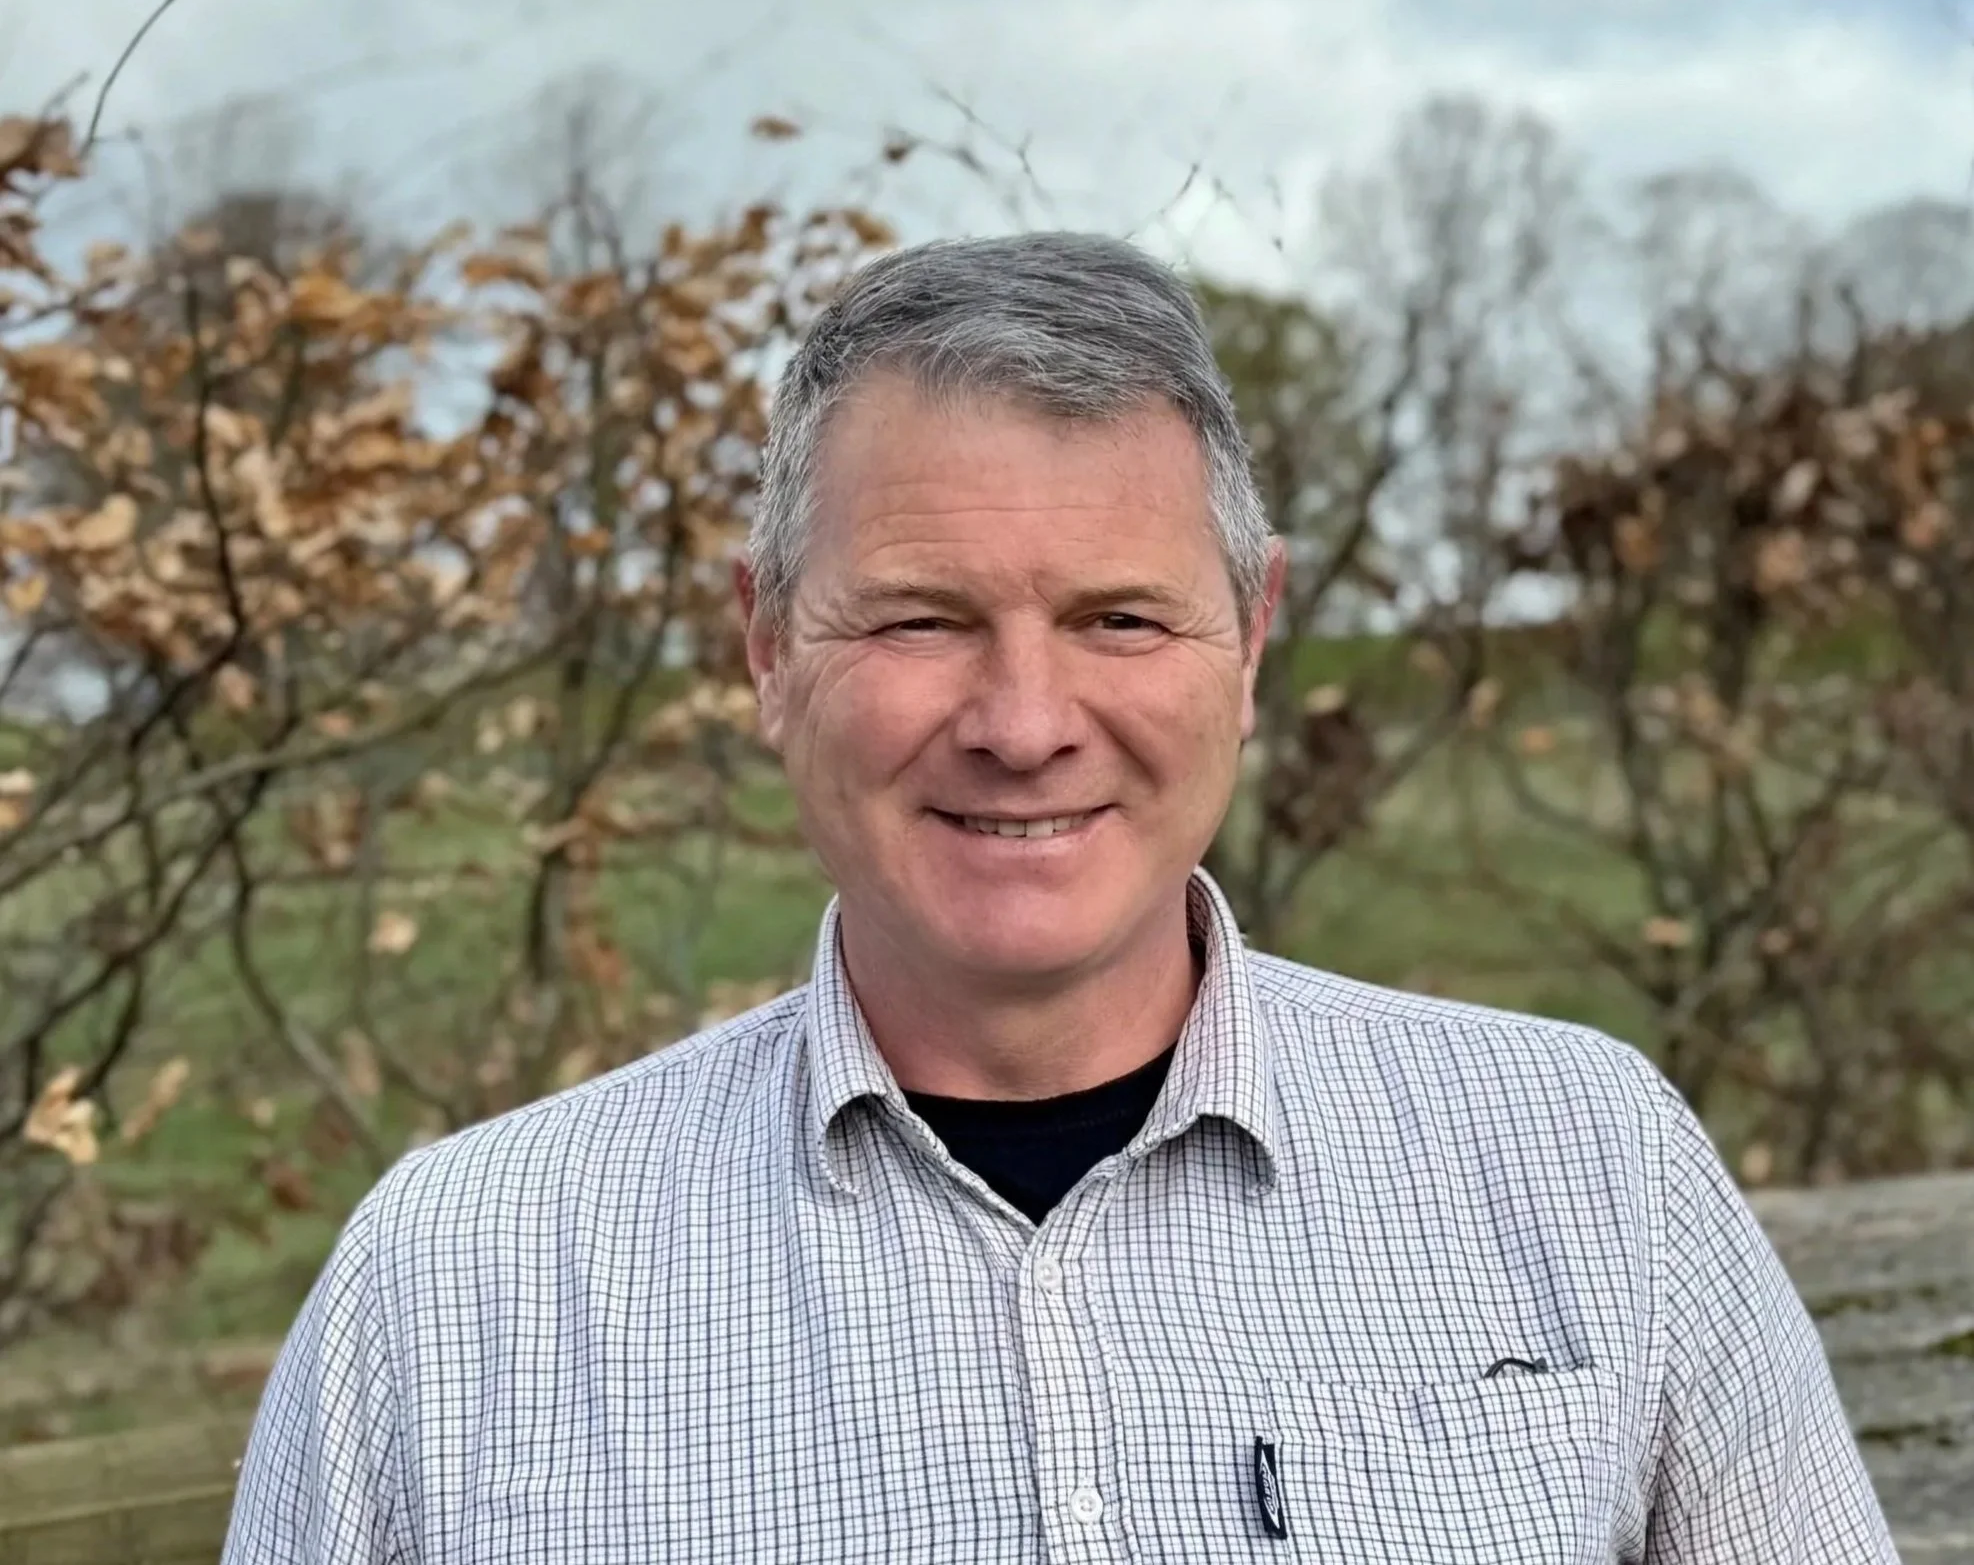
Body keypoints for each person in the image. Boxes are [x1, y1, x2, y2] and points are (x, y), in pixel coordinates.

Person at [223, 232, 1897, 1563]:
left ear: (1248, 638)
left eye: (1118, 619)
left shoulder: (1589, 1169)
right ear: (762, 644)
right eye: (918, 618)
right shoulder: (456, 1286)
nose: (1023, 724)